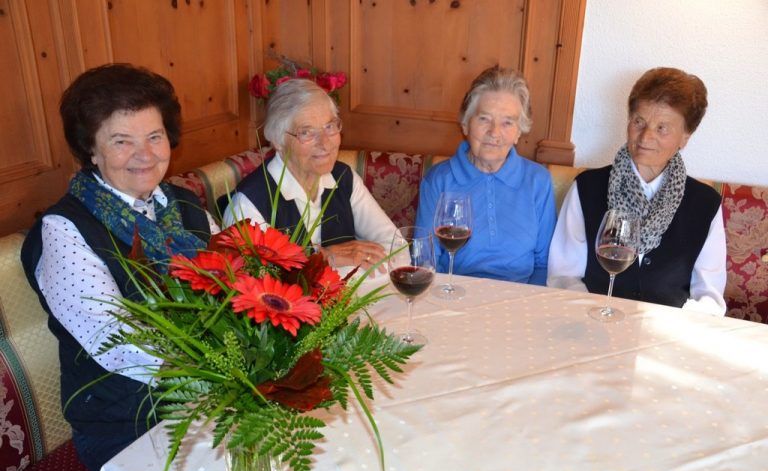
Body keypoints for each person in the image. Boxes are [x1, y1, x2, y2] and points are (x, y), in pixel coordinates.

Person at [20, 63, 219, 471]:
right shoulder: (64, 231)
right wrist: (226, 371)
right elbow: (119, 343)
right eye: (121, 141)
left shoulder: (182, 204)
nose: (144, 154)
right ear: (91, 149)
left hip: (210, 395)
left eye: (154, 136)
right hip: (126, 425)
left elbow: (232, 277)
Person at [547, 67, 726, 314]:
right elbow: (563, 278)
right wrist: (593, 318)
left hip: (667, 339)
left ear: (685, 136)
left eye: (662, 127)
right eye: (639, 121)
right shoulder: (587, 188)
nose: (645, 137)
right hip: (591, 327)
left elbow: (709, 296)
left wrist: (674, 334)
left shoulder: (705, 204)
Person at [222, 79, 396, 273]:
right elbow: (256, 282)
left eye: (330, 127)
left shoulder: (343, 178)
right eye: (306, 132)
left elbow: (394, 244)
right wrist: (326, 257)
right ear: (278, 141)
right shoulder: (248, 205)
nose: (325, 143)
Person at [414, 66, 556, 284]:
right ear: (465, 123)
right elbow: (425, 260)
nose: (494, 132)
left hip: (520, 300)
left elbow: (544, 263)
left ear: (519, 132)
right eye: (484, 119)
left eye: (507, 122)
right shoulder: (438, 180)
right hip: (455, 296)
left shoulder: (538, 181)